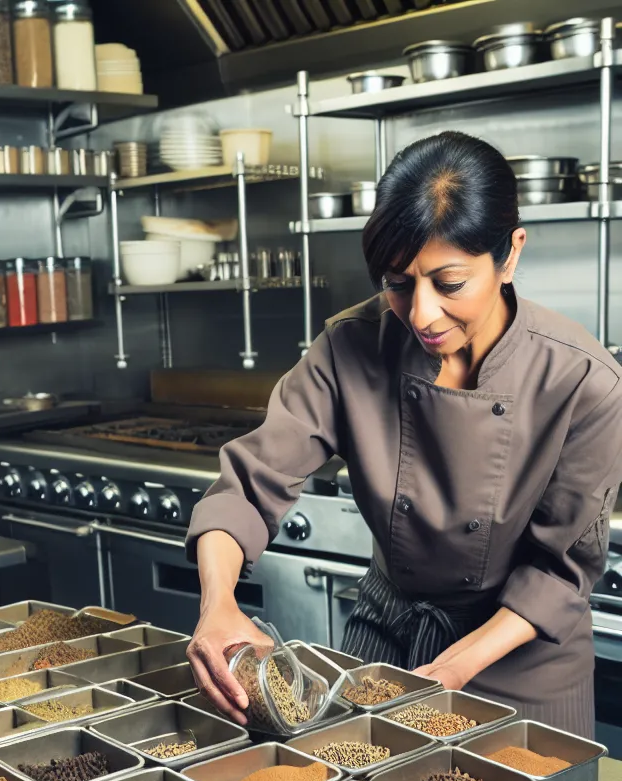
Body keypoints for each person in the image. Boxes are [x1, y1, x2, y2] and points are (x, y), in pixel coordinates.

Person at [185, 131, 622, 740]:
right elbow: (250, 484)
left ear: (510, 254)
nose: (420, 314)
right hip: (384, 639)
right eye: (397, 282)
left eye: (448, 284)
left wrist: (453, 669)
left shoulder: (585, 379)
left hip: (520, 667)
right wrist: (219, 605)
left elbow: (560, 572)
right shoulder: (349, 347)